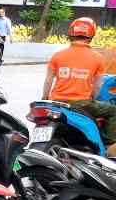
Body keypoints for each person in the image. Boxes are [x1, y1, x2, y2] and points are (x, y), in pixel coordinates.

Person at [42, 17, 116, 156]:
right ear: (91, 35)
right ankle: (108, 144)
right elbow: (97, 87)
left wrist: (45, 98)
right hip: (81, 104)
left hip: (56, 103)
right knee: (113, 111)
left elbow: (48, 81)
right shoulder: (97, 57)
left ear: (71, 34)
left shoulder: (58, 55)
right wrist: (93, 98)